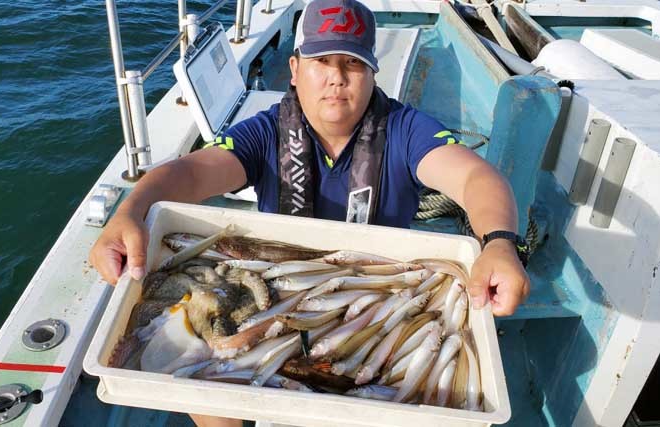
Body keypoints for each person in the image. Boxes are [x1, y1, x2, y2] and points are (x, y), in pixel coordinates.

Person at [89, 0, 530, 425]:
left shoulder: (406, 130)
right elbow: (189, 173)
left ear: (373, 74)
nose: (337, 78)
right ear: (295, 69)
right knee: (199, 372)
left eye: (353, 63)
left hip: (380, 291)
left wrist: (499, 244)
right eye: (322, 61)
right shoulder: (264, 133)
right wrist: (132, 209)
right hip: (274, 293)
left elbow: (478, 179)